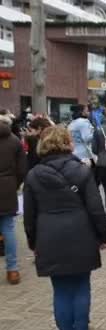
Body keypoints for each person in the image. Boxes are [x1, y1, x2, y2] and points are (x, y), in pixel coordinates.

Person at [23, 126, 106, 330]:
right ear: (68, 143)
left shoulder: (33, 175)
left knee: (61, 291)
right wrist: (104, 236)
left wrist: (33, 242)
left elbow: (29, 215)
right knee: (82, 286)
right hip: (81, 234)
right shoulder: (81, 171)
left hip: (49, 237)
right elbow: (95, 208)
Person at [0, 114, 25, 285]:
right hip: (7, 188)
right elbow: (23, 169)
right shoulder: (14, 140)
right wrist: (14, 184)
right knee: (8, 228)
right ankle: (12, 270)